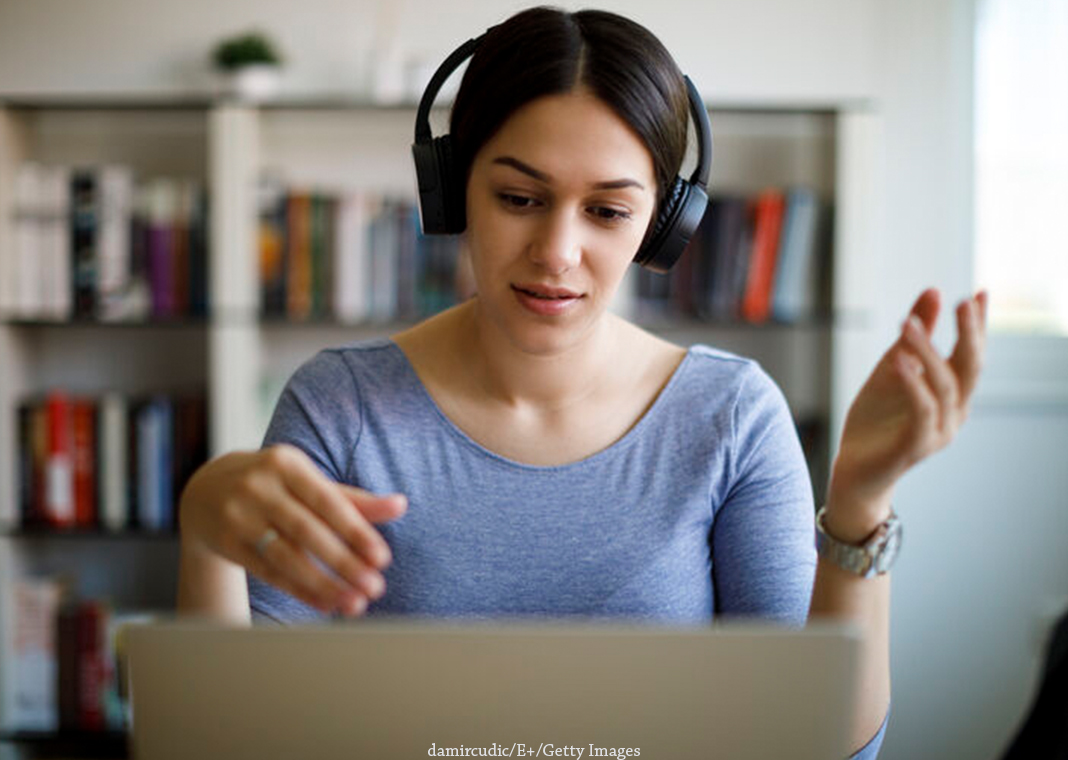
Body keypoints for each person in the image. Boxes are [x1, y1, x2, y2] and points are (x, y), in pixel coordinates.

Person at [176, 6, 988, 759]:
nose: (558, 251)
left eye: (607, 211)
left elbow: (819, 749)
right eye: (520, 197)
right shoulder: (340, 410)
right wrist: (205, 527)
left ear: (663, 226)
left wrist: (859, 503)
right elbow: (231, 744)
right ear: (453, 188)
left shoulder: (731, 416)